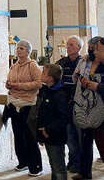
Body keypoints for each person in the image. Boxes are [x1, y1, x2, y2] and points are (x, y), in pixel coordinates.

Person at [5, 39, 43, 176]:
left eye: (21, 48)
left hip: (28, 104)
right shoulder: (14, 66)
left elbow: (39, 83)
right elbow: (9, 81)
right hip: (15, 103)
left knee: (30, 137)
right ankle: (23, 162)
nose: (18, 50)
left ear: (28, 51)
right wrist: (8, 85)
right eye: (17, 48)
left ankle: (36, 166)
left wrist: (19, 86)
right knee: (18, 135)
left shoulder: (32, 65)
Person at [71, 36, 104, 180]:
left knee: (102, 142)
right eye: (92, 48)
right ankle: (85, 173)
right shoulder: (86, 62)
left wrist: (96, 86)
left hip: (101, 107)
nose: (93, 51)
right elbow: (76, 78)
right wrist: (82, 80)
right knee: (85, 140)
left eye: (96, 49)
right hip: (85, 105)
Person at [55, 35, 83, 174]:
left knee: (79, 135)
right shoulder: (61, 62)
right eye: (68, 44)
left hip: (78, 104)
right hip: (64, 104)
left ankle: (80, 163)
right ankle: (72, 162)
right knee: (69, 136)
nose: (68, 47)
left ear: (79, 47)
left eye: (72, 44)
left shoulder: (83, 63)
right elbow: (54, 78)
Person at [37, 64, 69, 180]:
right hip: (47, 134)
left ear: (50, 78)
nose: (41, 74)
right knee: (53, 165)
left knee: (59, 167)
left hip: (55, 135)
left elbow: (63, 118)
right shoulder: (47, 90)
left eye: (44, 72)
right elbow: (42, 113)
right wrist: (41, 134)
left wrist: (47, 130)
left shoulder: (60, 94)